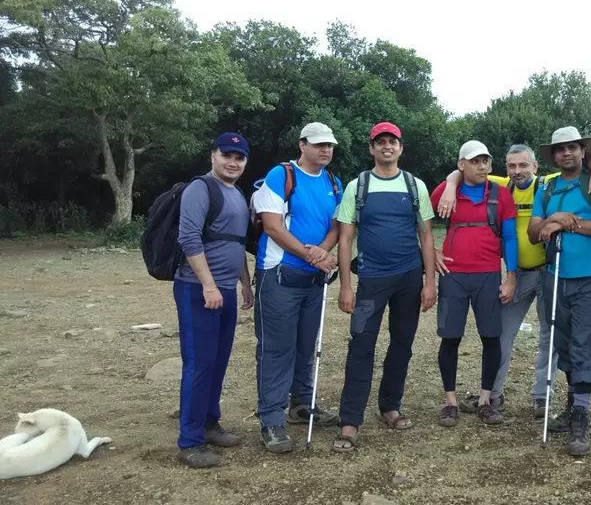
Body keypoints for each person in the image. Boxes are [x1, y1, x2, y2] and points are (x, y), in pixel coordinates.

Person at [436, 144, 582, 419]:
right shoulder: (502, 185)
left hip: (548, 270)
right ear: (505, 169)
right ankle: (493, 395)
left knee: (549, 336)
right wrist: (451, 184)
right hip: (519, 274)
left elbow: (575, 169)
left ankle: (542, 396)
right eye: (512, 166)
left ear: (535, 166)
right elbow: (461, 172)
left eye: (523, 165)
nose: (517, 171)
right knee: (502, 333)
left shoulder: (548, 184)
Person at [332, 122, 438, 453]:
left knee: (402, 345)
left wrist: (430, 282)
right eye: (381, 142)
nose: (387, 146)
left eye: (393, 141)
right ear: (372, 148)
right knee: (361, 346)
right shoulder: (358, 186)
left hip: (409, 278)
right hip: (371, 281)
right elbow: (345, 239)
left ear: (401, 148)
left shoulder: (415, 186)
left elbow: (426, 236)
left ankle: (390, 406)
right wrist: (346, 286)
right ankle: (350, 421)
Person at [251, 122, 343, 454]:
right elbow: (272, 226)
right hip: (279, 275)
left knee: (306, 345)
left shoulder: (333, 182)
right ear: (302, 145)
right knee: (277, 349)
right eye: (318, 144)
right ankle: (271, 419)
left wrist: (322, 252)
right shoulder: (281, 175)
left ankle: (301, 404)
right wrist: (311, 254)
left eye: (329, 145)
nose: (325, 150)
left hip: (313, 278)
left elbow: (337, 226)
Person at [528, 126, 591, 456]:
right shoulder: (547, 187)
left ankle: (581, 413)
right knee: (563, 341)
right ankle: (571, 405)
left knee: (584, 342)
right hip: (555, 277)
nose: (566, 153)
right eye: (560, 149)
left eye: (572, 147)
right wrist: (554, 217)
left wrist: (566, 223)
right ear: (553, 156)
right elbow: (533, 233)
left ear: (583, 151)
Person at [173, 132, 254, 468]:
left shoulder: (236, 193)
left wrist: (245, 283)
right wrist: (208, 285)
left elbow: (236, 242)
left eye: (239, 158)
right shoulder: (200, 188)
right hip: (198, 289)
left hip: (226, 290)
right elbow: (189, 238)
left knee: (218, 361)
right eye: (226, 155)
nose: (232, 162)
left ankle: (209, 424)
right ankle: (190, 441)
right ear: (213, 156)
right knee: (199, 363)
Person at [430, 140, 519, 427]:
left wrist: (511, 276)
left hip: (488, 275)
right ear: (461, 165)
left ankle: (484, 401)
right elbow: (421, 224)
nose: (482, 166)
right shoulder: (445, 192)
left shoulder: (501, 194)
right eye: (475, 161)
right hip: (452, 276)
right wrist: (432, 252)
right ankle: (450, 403)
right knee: (450, 338)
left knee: (491, 337)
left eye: (485, 161)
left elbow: (510, 237)